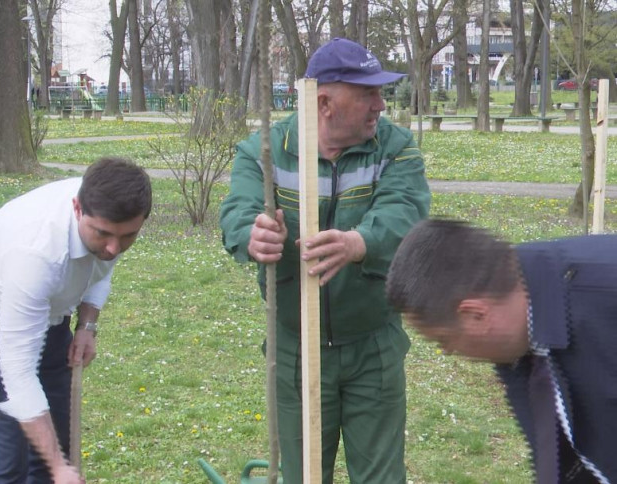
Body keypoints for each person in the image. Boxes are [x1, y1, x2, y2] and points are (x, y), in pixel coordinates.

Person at [219, 38, 431, 483]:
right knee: (304, 476)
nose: (380, 104)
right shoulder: (265, 151)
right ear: (325, 102)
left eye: (381, 92)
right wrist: (252, 235)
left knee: (381, 477)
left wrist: (360, 242)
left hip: (373, 344)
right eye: (367, 93)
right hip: (295, 348)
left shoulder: (396, 147)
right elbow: (238, 211)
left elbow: (406, 212)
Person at [0, 158, 152, 484]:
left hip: (48, 313)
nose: (114, 248)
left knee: (54, 448)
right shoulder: (37, 252)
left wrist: (87, 325)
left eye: (127, 237)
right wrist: (59, 468)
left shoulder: (110, 209)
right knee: (8, 462)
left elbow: (99, 269)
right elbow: (18, 374)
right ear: (77, 208)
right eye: (104, 234)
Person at [386, 219, 616, 482]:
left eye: (443, 339)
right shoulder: (520, 332)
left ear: (475, 314)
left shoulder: (604, 296)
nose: (447, 351)